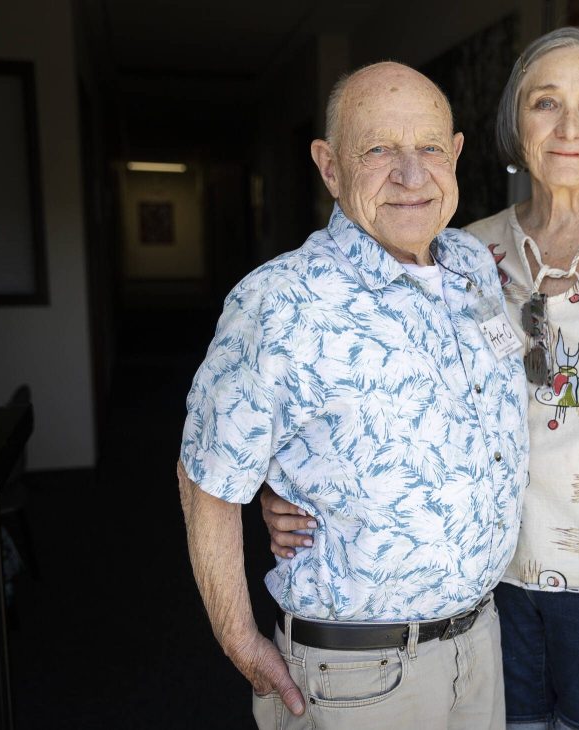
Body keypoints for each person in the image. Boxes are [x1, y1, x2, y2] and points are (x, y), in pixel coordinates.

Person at [263, 27, 579, 730]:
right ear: (513, 121)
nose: (569, 126)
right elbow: (382, 390)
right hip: (487, 583)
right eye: (545, 103)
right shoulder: (465, 250)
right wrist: (283, 488)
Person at [178, 61, 529, 730]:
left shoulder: (472, 266)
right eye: (377, 149)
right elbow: (206, 479)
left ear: (455, 155)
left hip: (480, 643)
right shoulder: (279, 302)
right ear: (329, 166)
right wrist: (238, 638)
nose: (410, 172)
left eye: (429, 146)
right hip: (365, 677)